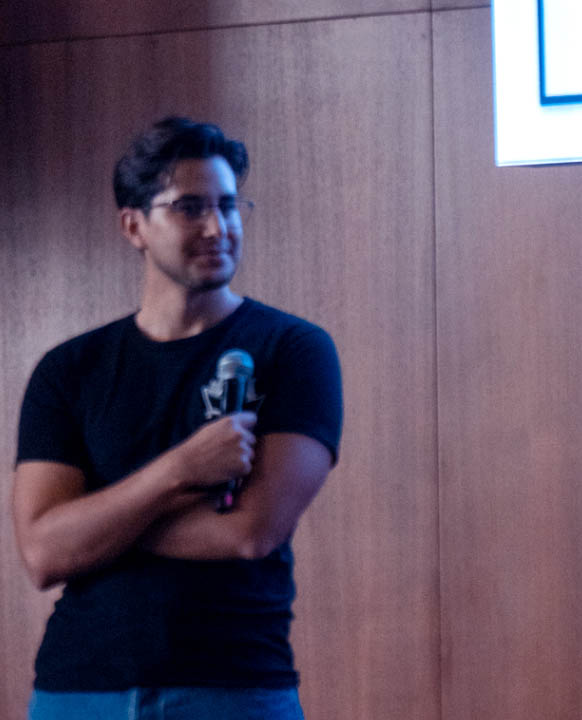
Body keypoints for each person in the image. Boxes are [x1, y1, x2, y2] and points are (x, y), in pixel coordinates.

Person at [12, 117, 343, 719]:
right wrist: (181, 470)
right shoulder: (69, 370)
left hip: (233, 687)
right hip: (78, 690)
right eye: (190, 208)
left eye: (229, 205)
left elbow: (249, 534)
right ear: (133, 226)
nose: (218, 227)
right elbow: (41, 555)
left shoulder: (293, 350)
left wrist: (91, 531)